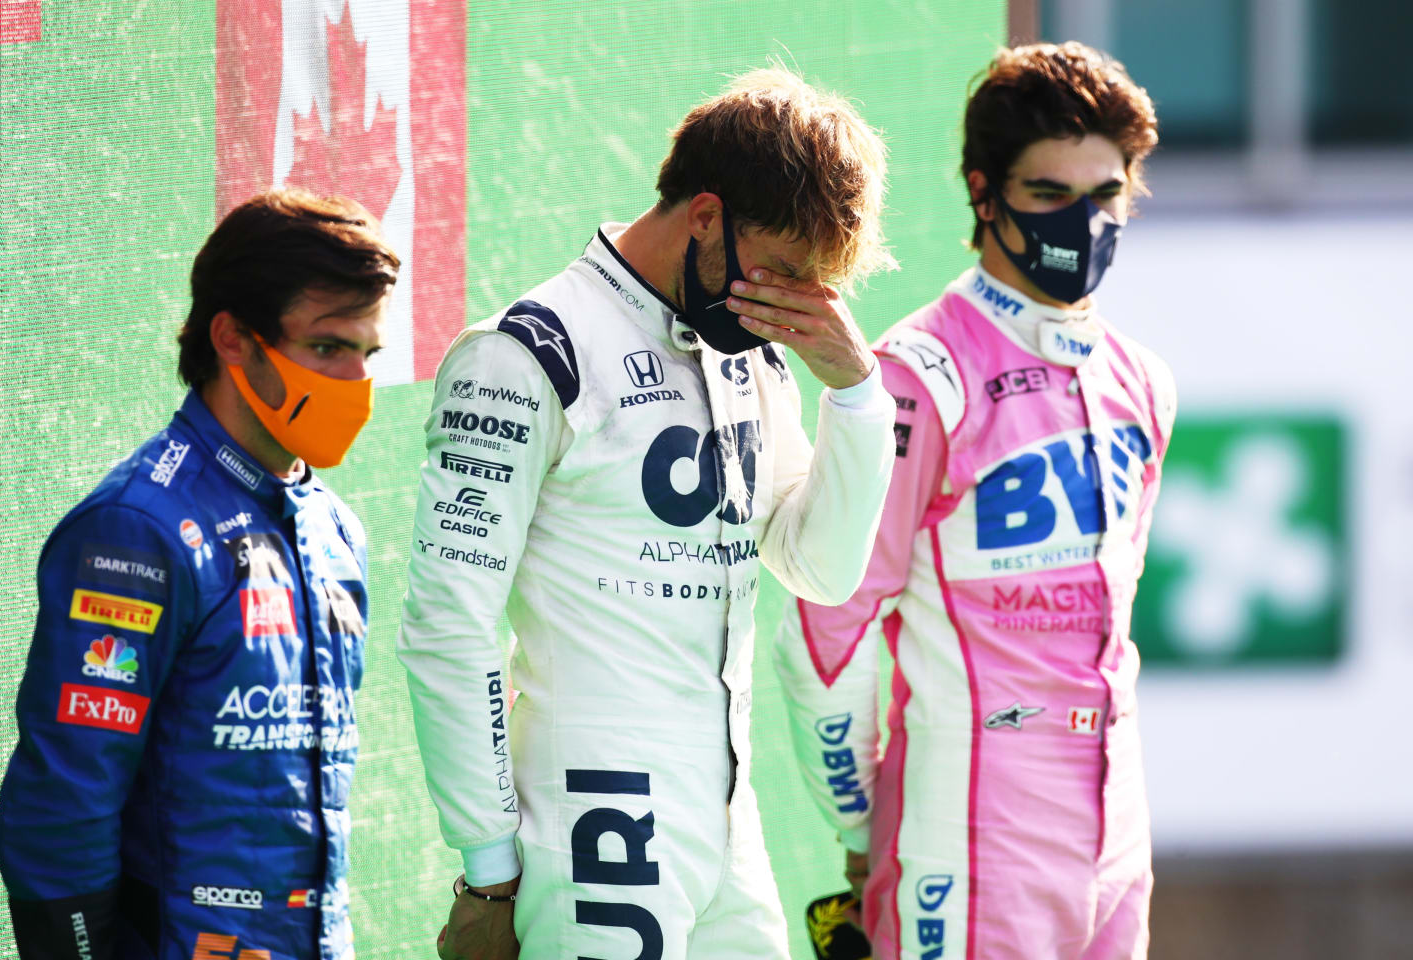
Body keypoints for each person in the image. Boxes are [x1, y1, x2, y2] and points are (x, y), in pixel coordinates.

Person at [398, 68, 898, 960]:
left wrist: (857, 393)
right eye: (783, 269)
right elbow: (450, 622)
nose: (794, 301)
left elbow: (819, 569)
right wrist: (487, 866)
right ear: (705, 215)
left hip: (727, 815)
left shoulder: (754, 355)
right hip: (600, 813)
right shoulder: (527, 352)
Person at [774, 42, 1176, 960]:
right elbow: (823, 636)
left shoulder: (1144, 383)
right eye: (1049, 195)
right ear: (983, 190)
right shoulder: (921, 375)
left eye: (1105, 194)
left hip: (1117, 833)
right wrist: (863, 829)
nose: (1083, 223)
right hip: (968, 829)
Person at [0, 188, 399, 960]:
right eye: (327, 348)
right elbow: (62, 804)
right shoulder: (136, 531)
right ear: (233, 339)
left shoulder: (335, 528)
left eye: (367, 353)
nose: (355, 380)